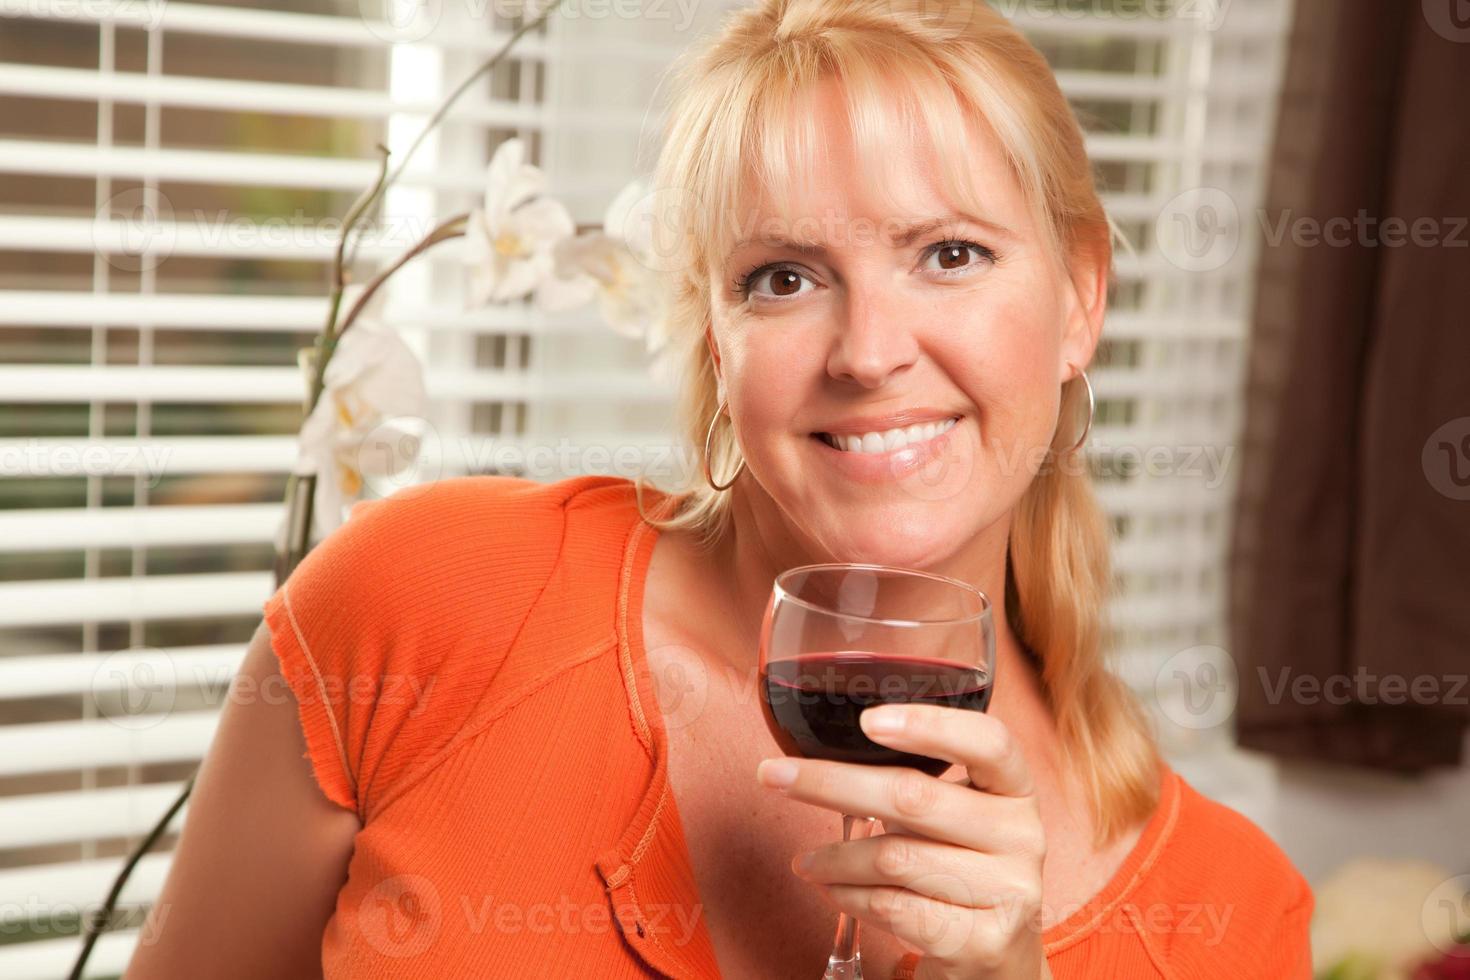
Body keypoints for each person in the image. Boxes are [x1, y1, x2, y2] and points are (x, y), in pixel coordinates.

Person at [123, 2, 1314, 978]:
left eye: (951, 253)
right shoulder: (422, 603)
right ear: (712, 338)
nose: (869, 351)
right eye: (785, 275)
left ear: (1081, 299)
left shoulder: (1235, 916)